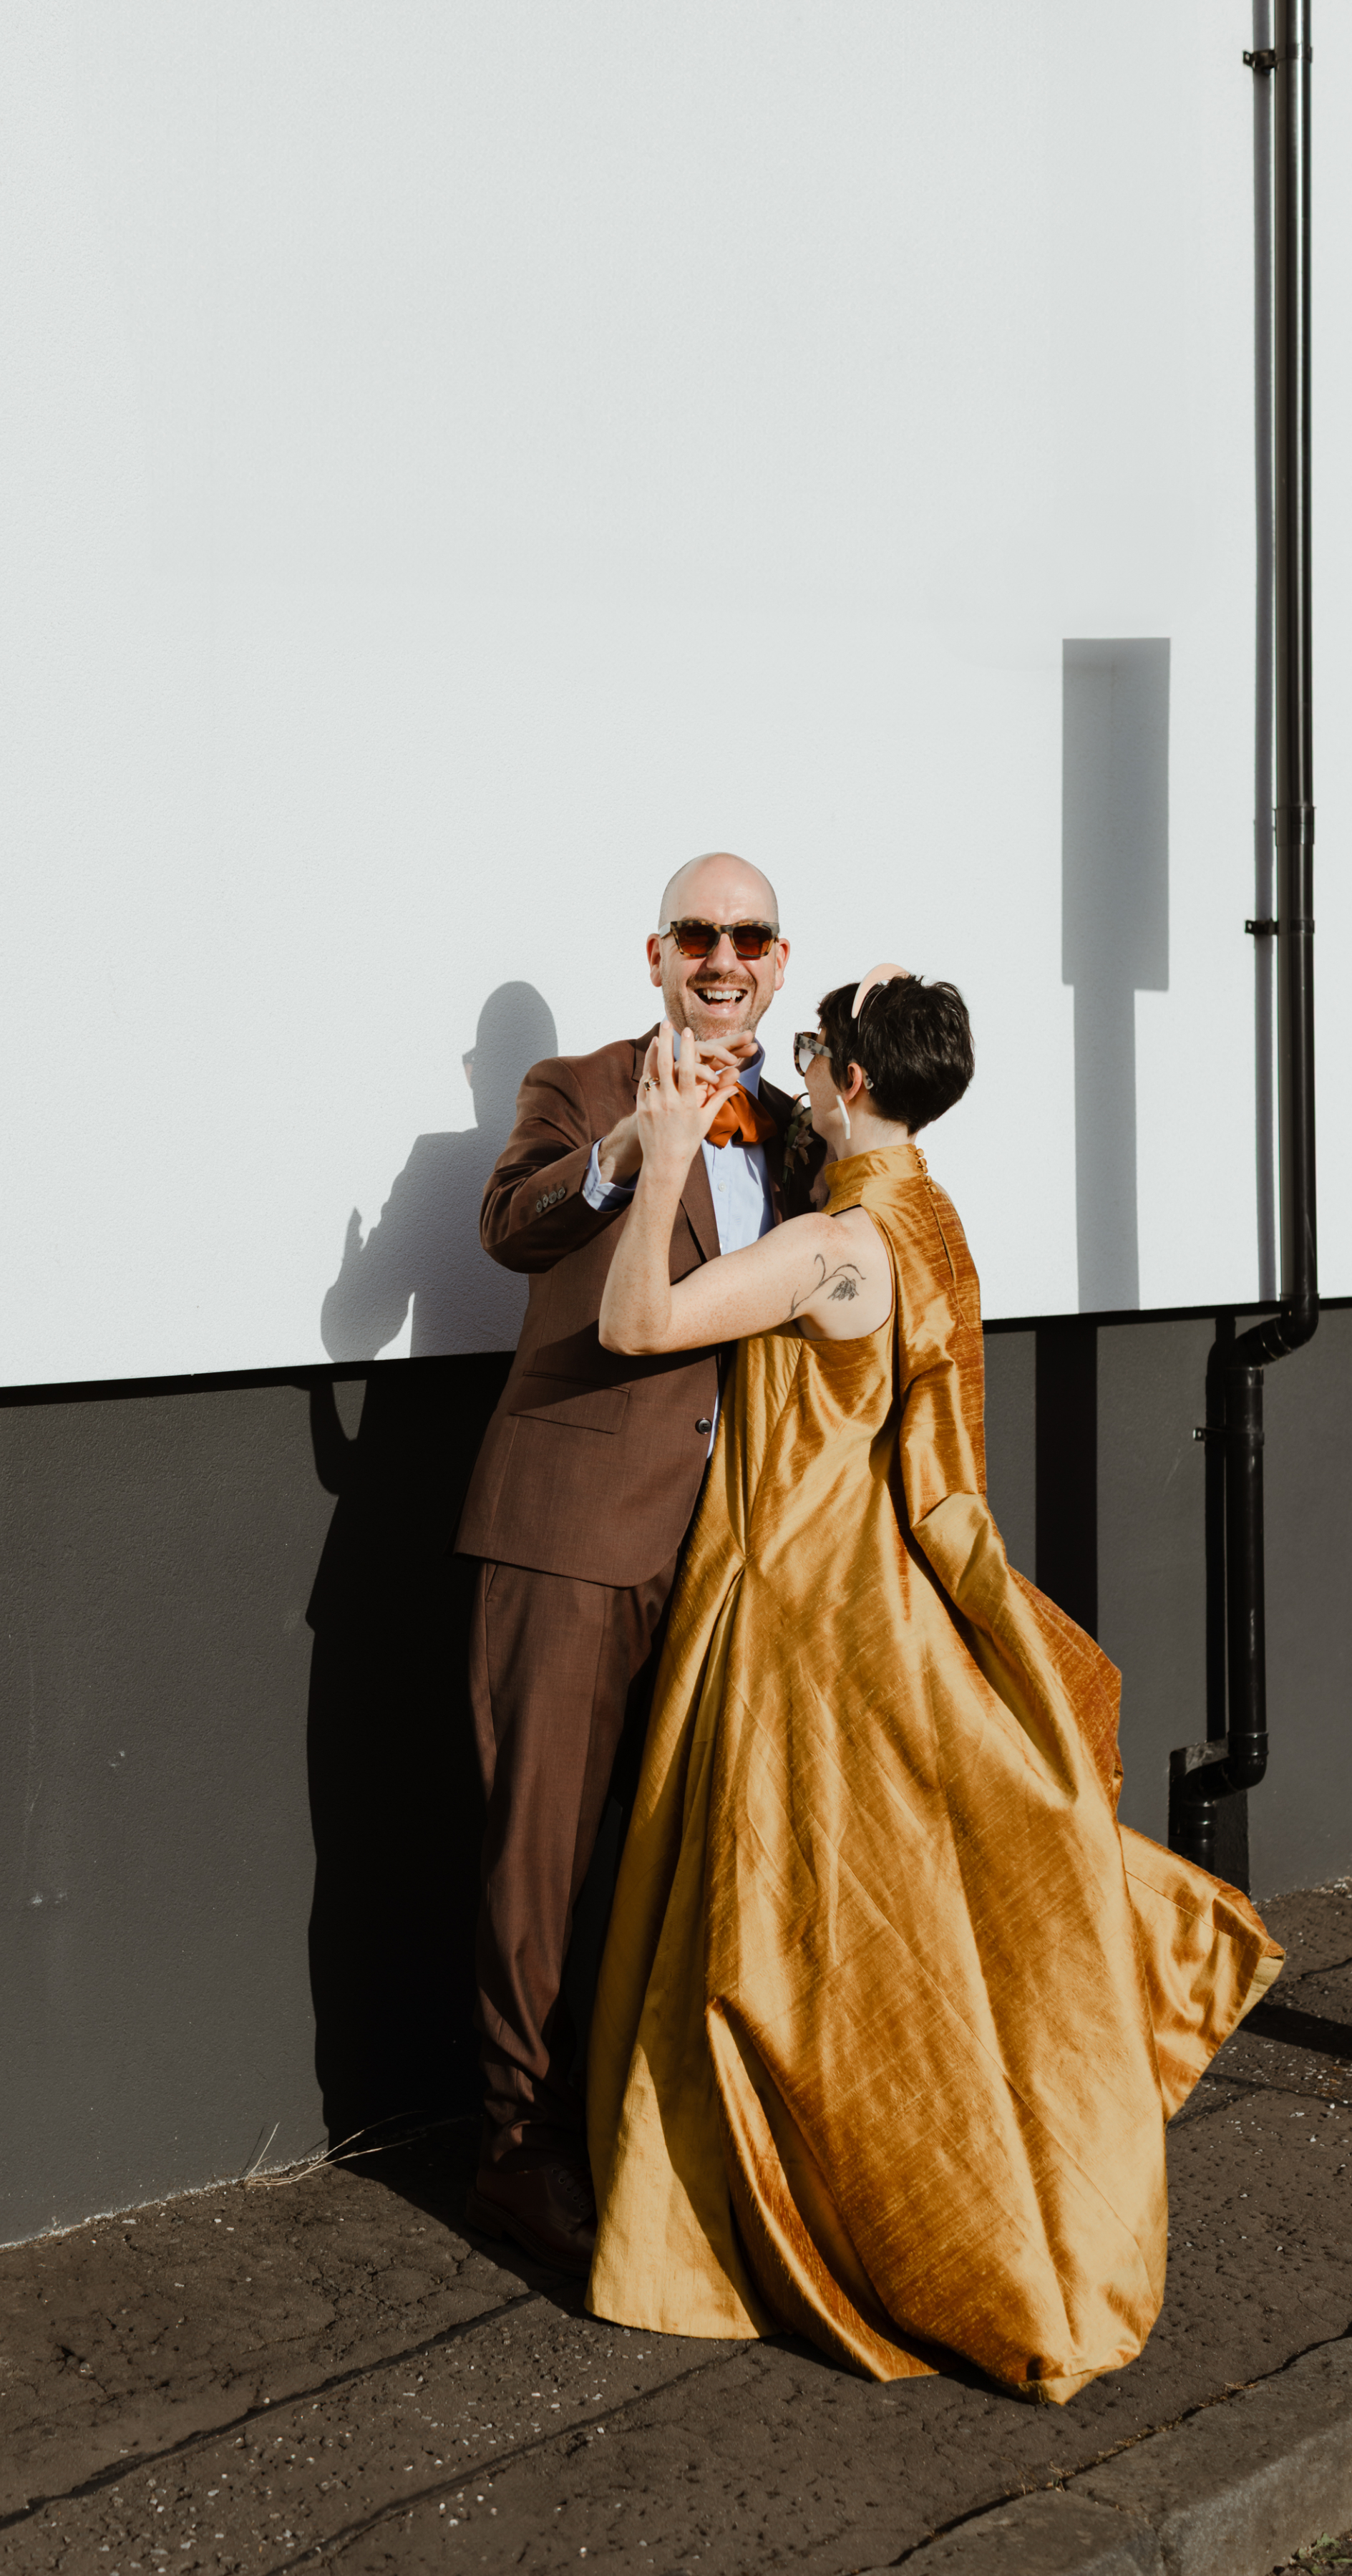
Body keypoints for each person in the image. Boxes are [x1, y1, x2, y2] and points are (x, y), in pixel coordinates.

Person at [585, 973, 1280, 2402]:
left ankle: (824, 2214)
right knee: (895, 1933)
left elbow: (639, 1324)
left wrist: (662, 1159)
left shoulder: (836, 1245)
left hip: (799, 1604)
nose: (795, 1074)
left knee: (781, 1936)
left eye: (806, 1055)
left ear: (844, 1077)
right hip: (886, 1590)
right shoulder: (929, 1212)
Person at [453, 852, 825, 2272]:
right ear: (656, 952)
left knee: (699, 1840)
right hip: (569, 1527)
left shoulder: (797, 1130)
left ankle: (657, 2122)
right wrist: (626, 1152)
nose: (722, 957)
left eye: (749, 936)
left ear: (779, 961)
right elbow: (507, 1223)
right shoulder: (578, 1084)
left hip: (737, 1541)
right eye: (697, 934)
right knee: (541, 1841)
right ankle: (514, 2144)